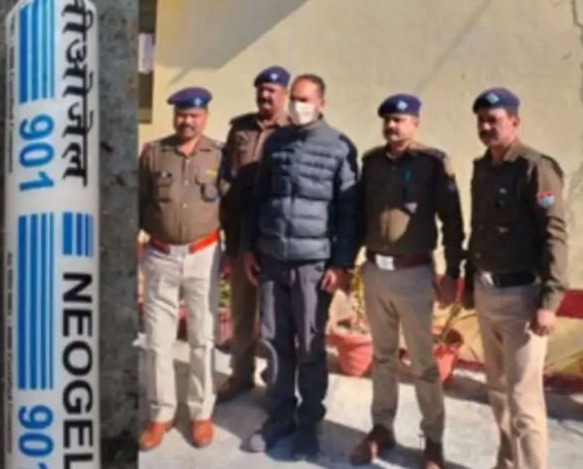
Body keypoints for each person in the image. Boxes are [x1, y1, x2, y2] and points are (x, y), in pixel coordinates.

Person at [241, 73, 360, 459]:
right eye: (294, 98)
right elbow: (259, 198)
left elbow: (349, 212)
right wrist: (248, 247)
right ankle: (279, 417)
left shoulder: (339, 146)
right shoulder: (276, 142)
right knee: (274, 342)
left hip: (313, 265)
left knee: (309, 346)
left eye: (305, 99)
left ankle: (309, 423)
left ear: (321, 103)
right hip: (273, 259)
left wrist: (341, 263)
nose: (298, 105)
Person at [348, 94, 464, 469]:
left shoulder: (433, 163)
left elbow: (453, 221)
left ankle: (433, 441)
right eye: (387, 120)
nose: (392, 126)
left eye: (400, 120)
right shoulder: (371, 163)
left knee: (423, 364)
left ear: (416, 123)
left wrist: (453, 272)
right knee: (382, 357)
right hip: (376, 272)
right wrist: (348, 264)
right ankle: (382, 428)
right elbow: (358, 217)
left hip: (414, 275)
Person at [462, 87, 567, 469]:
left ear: (514, 122)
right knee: (497, 392)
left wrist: (550, 302)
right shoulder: (483, 168)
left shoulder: (535, 168)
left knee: (524, 401)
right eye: (481, 121)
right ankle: (507, 463)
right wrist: (470, 281)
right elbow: (479, 228)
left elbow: (554, 235)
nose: (486, 127)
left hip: (523, 297)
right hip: (487, 292)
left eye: (494, 120)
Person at [138, 86, 227, 451]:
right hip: (160, 255)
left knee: (202, 338)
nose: (186, 121)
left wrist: (235, 252)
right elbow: (138, 201)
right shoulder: (154, 153)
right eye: (181, 114)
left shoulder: (219, 155)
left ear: (205, 116)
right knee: (157, 341)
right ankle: (161, 414)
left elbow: (230, 207)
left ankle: (201, 412)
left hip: (203, 255)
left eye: (194, 115)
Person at [217, 65, 291, 403]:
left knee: (276, 316)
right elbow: (225, 177)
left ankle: (275, 381)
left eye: (272, 90)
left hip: (276, 235)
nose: (265, 95)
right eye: (261, 89)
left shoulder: (292, 130)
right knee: (242, 311)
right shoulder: (241, 129)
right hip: (241, 234)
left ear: (285, 94)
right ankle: (240, 375)